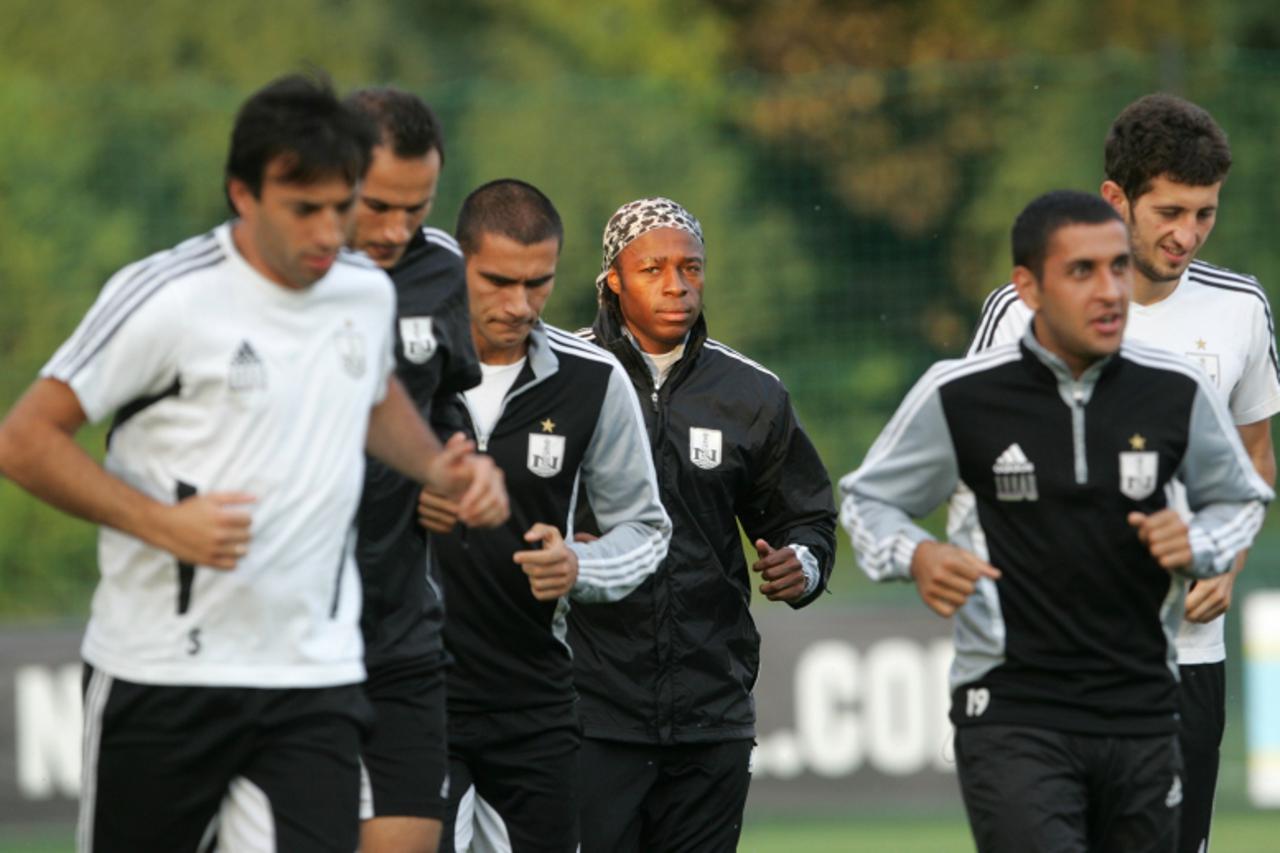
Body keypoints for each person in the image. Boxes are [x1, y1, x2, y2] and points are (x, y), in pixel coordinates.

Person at [0, 73, 507, 853]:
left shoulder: (364, 293)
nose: (328, 231)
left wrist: (442, 469)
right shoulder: (168, 297)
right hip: (164, 670)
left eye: (341, 207)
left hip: (312, 671)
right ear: (244, 192)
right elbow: (25, 439)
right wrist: (161, 523)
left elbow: (373, 398)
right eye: (305, 209)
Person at [842, 190, 1272, 853]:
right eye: (1081, 271)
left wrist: (1203, 545)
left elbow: (1242, 496)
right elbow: (867, 499)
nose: (1109, 290)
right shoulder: (960, 392)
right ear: (1029, 287)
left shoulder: (1176, 389)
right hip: (1014, 707)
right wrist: (916, 554)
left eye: (1118, 268)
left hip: (1143, 705)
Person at [964, 94, 1280, 853]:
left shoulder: (1240, 310)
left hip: (1182, 659)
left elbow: (1253, 460)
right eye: (1170, 211)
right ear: (1116, 200)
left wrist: (1229, 563)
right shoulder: (1019, 311)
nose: (1188, 234)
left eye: (1204, 213)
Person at [570, 197, 837, 852]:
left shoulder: (752, 394)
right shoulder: (561, 377)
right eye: (653, 268)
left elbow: (806, 517)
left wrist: (802, 563)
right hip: (585, 715)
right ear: (613, 280)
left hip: (710, 715)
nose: (676, 284)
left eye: (690, 268)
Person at [416, 179, 671, 852]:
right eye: (498, 281)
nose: (519, 303)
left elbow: (646, 529)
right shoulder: (405, 364)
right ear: (459, 266)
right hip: (410, 688)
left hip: (533, 698)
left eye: (538, 283)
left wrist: (578, 564)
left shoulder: (593, 379)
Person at [344, 86, 480, 853]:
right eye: (380, 205)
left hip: (402, 631)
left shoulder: (442, 275)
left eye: (417, 207)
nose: (398, 229)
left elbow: (451, 405)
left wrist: (452, 465)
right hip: (283, 636)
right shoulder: (268, 278)